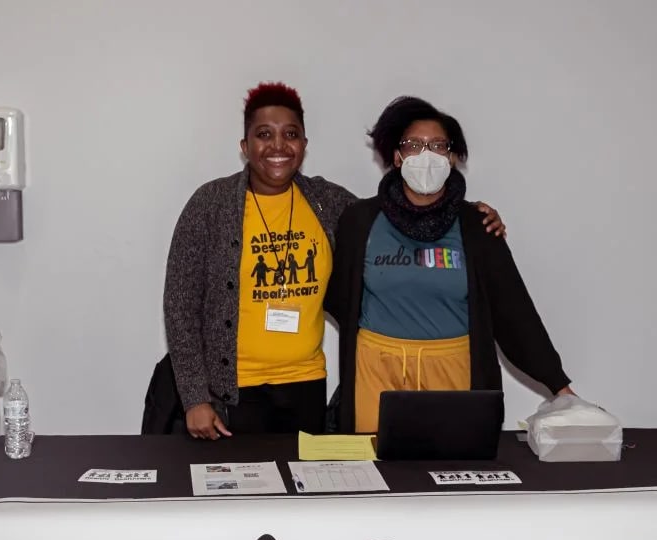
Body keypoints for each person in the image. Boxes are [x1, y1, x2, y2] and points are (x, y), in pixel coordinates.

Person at [163, 83, 507, 440]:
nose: (278, 146)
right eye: (264, 134)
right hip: (231, 393)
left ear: (304, 145)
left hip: (306, 385)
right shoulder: (210, 205)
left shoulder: (327, 202)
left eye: (290, 134)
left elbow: (398, 220)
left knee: (306, 477)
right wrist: (195, 397)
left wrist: (467, 215)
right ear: (244, 146)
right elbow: (180, 306)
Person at [325, 96, 574, 434]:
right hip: (376, 374)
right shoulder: (360, 221)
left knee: (454, 460)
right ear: (397, 157)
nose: (426, 155)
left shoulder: (478, 226)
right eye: (414, 145)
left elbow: (513, 312)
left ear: (452, 157)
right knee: (377, 464)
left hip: (455, 374)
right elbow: (338, 296)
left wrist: (559, 386)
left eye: (438, 145)